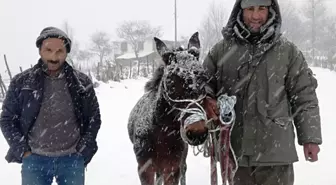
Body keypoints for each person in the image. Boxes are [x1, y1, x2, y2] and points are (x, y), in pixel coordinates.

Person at [201, 0, 322, 184]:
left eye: (261, 9)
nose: (256, 16)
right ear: (240, 11)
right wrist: (207, 101)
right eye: (250, 9)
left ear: (270, 10)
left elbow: (304, 96)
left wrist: (310, 138)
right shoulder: (221, 51)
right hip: (235, 153)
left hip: (276, 155)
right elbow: (202, 86)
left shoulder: (287, 52)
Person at [0, 26, 101, 185]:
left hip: (72, 159)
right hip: (35, 159)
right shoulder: (22, 82)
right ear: (40, 51)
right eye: (48, 50)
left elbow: (94, 118)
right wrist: (22, 150)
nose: (54, 56)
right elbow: (7, 120)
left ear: (66, 53)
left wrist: (84, 147)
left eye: (60, 51)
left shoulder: (81, 83)